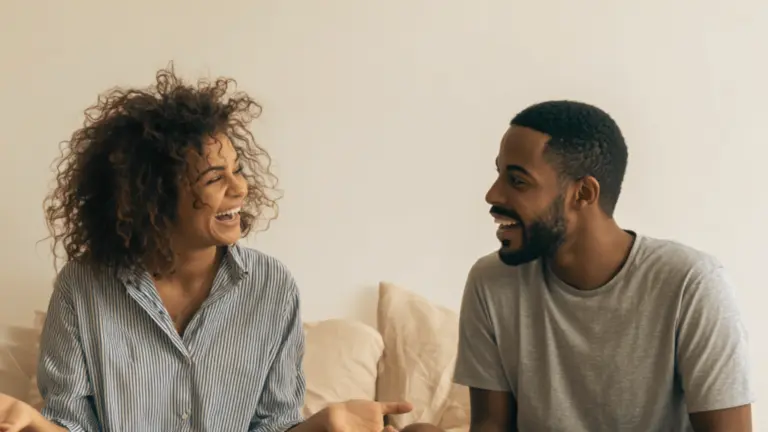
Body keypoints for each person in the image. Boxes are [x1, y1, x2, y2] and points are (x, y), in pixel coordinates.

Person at [0, 67, 413, 432]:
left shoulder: (272, 286)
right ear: (154, 198)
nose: (239, 188)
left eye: (238, 169)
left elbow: (272, 425)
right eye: (217, 177)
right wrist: (36, 424)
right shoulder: (82, 286)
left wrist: (321, 427)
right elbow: (72, 424)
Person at [449, 100, 755, 431]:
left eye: (518, 181)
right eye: (499, 174)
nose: (493, 195)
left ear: (582, 193)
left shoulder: (691, 284)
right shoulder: (490, 281)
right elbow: (490, 425)